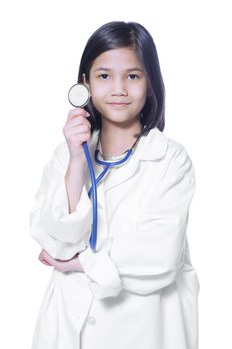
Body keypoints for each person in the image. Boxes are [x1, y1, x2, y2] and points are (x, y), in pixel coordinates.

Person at [29, 21, 200, 349]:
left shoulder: (169, 160)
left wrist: (81, 263)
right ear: (85, 84)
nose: (118, 88)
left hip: (142, 332)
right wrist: (77, 162)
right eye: (104, 76)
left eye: (133, 76)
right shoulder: (65, 158)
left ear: (150, 83)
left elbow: (159, 255)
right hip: (64, 330)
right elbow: (53, 241)